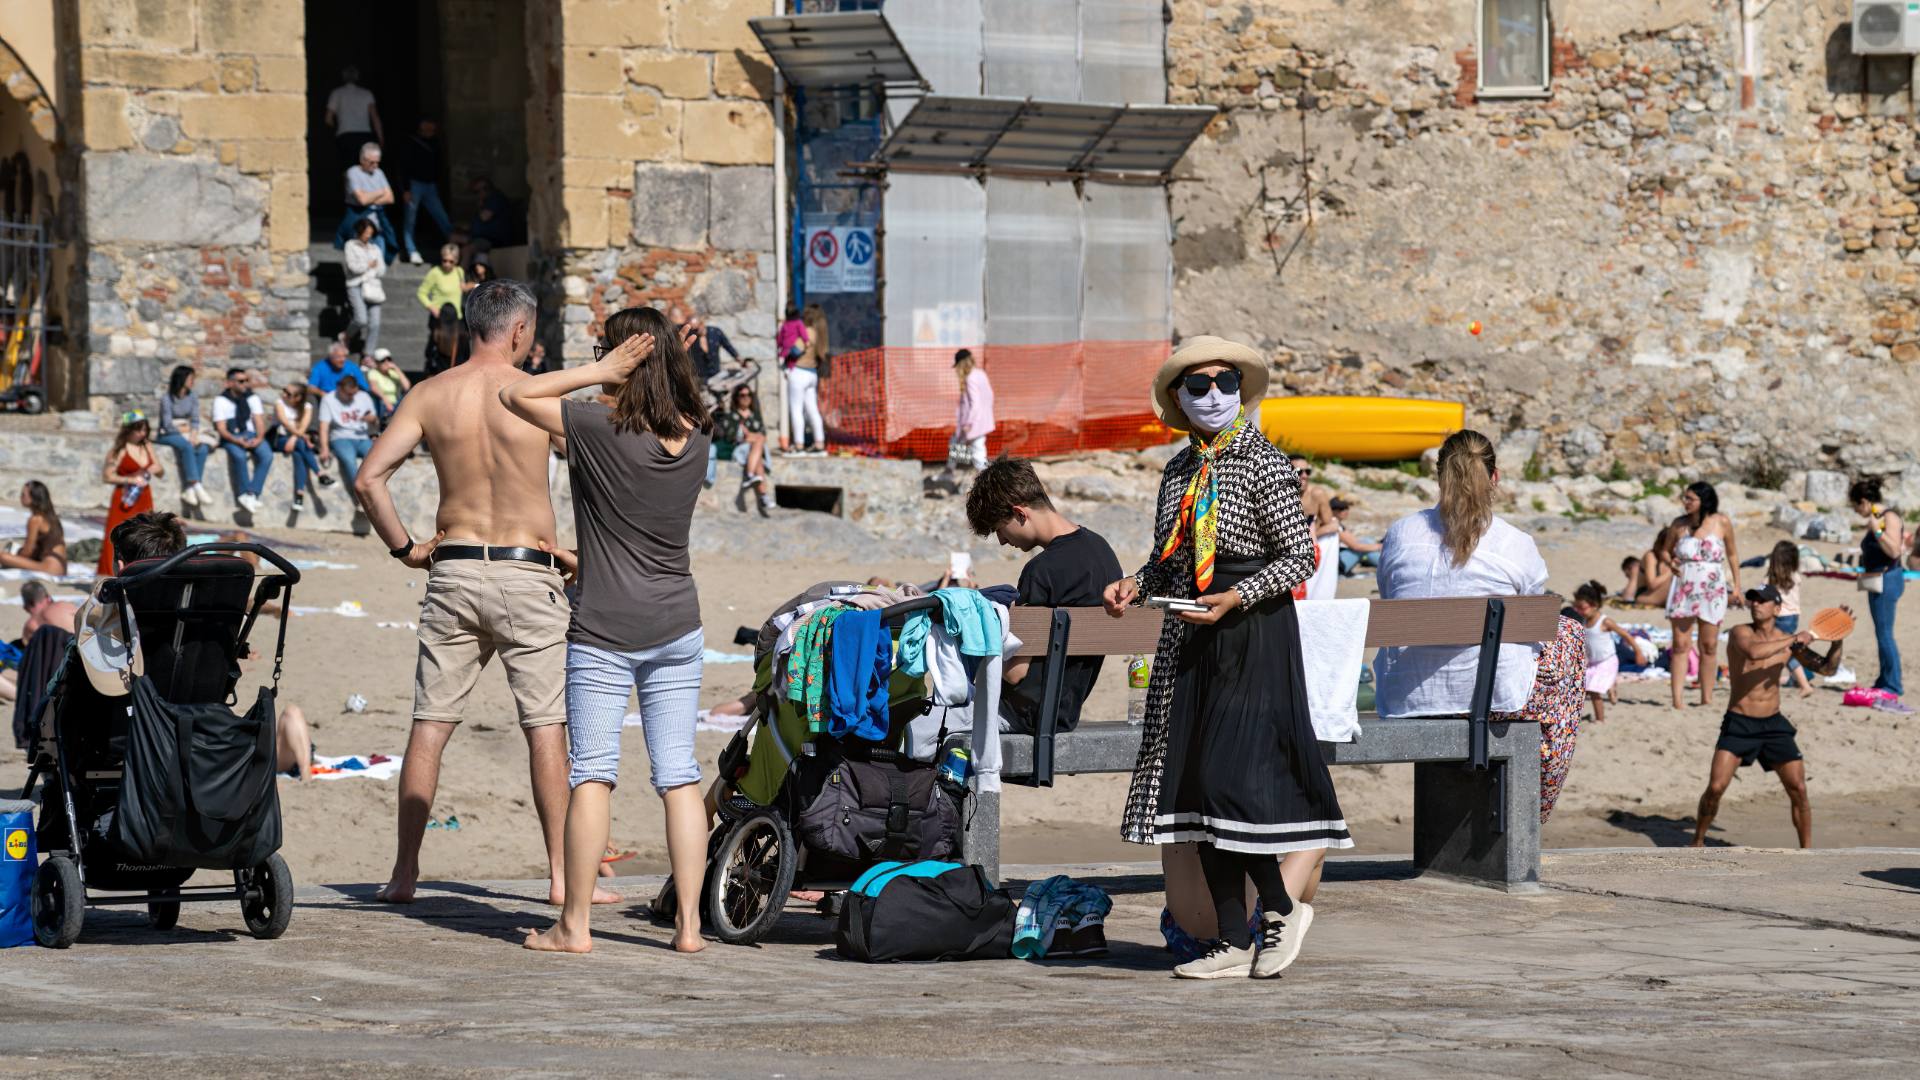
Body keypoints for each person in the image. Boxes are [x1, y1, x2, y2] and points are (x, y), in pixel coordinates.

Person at [1101, 336, 1348, 980]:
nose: (1214, 394)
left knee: (1224, 780)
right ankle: (1232, 943)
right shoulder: (1178, 472)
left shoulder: (1266, 462)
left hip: (1252, 633)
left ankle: (1277, 907)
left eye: (1226, 382)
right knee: (1190, 782)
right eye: (1200, 384)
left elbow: (1300, 557)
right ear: (1179, 400)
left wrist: (1235, 596)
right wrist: (1137, 583)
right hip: (1190, 634)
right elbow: (1168, 559)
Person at [353, 280, 599, 908]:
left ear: (470, 326)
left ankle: (404, 873)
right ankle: (562, 880)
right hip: (527, 569)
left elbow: (369, 480)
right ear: (519, 332)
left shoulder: (430, 394)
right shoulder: (535, 396)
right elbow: (601, 469)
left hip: (455, 567)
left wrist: (406, 548)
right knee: (546, 727)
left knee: (429, 727)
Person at [501, 306, 710, 956]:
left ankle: (575, 925)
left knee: (592, 772)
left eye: (604, 350)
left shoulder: (595, 426)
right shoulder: (695, 433)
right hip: (679, 620)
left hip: (604, 627)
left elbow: (514, 392)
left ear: (624, 359)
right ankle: (690, 928)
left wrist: (597, 371)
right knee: (678, 773)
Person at [1375, 430, 1586, 825]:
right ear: (1496, 477)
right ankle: (1535, 804)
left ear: (1439, 477)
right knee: (1569, 634)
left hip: (1409, 694)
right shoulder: (1513, 541)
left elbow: (1390, 598)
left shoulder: (1401, 533)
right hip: (1493, 698)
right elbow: (1535, 626)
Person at [969, 458, 1123, 735]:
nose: (1003, 541)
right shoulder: (1102, 550)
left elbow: (1016, 673)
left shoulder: (1041, 571)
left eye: (999, 529)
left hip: (1026, 715)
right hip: (1066, 711)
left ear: (1020, 513)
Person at [1690, 586, 1847, 848]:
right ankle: (1697, 841)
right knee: (1716, 788)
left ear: (1777, 609)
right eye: (1753, 600)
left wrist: (1837, 639)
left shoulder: (1788, 641)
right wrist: (1796, 638)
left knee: (1798, 788)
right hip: (1739, 722)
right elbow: (1754, 652)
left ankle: (1807, 851)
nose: (1756, 604)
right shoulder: (1741, 632)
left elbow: (1828, 669)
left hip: (1773, 724)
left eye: (1763, 601)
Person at [1660, 482, 1742, 709]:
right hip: (1684, 585)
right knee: (1680, 644)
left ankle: (1707, 698)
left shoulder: (1721, 521)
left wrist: (1736, 586)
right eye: (1684, 498)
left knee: (1709, 645)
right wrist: (1671, 563)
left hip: (1712, 587)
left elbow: (1733, 555)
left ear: (1703, 501)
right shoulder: (1679, 524)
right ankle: (1677, 700)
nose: (1685, 502)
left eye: (1690, 498)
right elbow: (1665, 551)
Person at [1851, 477, 1907, 706]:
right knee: (1881, 632)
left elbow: (1894, 551)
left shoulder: (1889, 518)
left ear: (1864, 502)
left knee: (1885, 634)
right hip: (1876, 579)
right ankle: (1884, 678)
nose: (1856, 511)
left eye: (1856, 506)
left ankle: (1893, 683)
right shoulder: (1877, 517)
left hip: (1887, 580)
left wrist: (1876, 532)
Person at [1571, 580, 1647, 724]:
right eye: (1577, 608)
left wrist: (1638, 652)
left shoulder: (1605, 622)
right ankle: (1611, 686)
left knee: (1594, 690)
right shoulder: (1584, 623)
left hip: (1607, 661)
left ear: (1594, 605)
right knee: (1582, 688)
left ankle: (1600, 719)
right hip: (1592, 663)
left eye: (1582, 608)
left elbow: (1626, 635)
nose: (1579, 611)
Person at [96, 412, 163, 576]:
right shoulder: (119, 450)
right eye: (138, 430)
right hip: (124, 497)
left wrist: (153, 469)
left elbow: (160, 471)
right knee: (117, 534)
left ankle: (141, 570)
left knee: (145, 532)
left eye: (145, 430)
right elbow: (107, 476)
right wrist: (130, 480)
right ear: (129, 430)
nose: (142, 434)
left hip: (144, 496)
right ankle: (110, 573)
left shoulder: (147, 446)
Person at [211, 367, 272, 514]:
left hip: (250, 435)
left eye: (246, 381)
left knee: (267, 455)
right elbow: (222, 428)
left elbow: (259, 421)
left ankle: (252, 493)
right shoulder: (221, 400)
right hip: (231, 437)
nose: (245, 384)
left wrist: (259, 438)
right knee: (239, 456)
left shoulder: (252, 398)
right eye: (240, 381)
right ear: (230, 383)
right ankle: (244, 493)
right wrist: (237, 441)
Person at [154, 364, 212, 508]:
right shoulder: (167, 398)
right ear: (182, 378)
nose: (193, 381)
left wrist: (193, 434)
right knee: (186, 446)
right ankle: (196, 484)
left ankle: (189, 489)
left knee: (202, 448)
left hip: (187, 433)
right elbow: (167, 424)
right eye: (191, 378)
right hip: (167, 434)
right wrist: (185, 430)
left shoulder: (192, 396)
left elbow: (195, 419)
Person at [269, 381, 330, 515]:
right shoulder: (280, 403)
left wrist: (295, 438)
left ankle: (299, 496)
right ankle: (320, 474)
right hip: (279, 438)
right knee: (302, 445)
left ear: (298, 398)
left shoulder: (307, 407)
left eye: (288, 393)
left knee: (299, 455)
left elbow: (303, 426)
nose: (284, 394)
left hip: (296, 441)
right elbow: (284, 423)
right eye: (284, 390)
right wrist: (302, 437)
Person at [1764, 540, 1815, 699]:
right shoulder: (1795, 577)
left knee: (1785, 652)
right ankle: (1772, 680)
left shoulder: (1771, 579)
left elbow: (1763, 594)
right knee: (1783, 650)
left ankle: (1804, 684)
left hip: (1779, 618)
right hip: (1793, 618)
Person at [711, 383, 772, 515]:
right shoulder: (731, 416)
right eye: (742, 395)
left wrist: (749, 436)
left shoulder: (755, 415)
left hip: (752, 450)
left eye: (748, 395)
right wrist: (752, 437)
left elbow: (763, 434)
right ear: (737, 398)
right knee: (758, 447)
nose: (746, 398)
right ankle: (763, 494)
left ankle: (754, 481)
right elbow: (731, 437)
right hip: (739, 450)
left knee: (758, 448)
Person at [1287, 456, 1341, 599]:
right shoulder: (1281, 496)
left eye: (1307, 471)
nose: (1304, 476)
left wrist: (1311, 535)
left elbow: (1331, 523)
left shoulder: (1316, 494)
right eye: (1298, 471)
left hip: (1311, 549)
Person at [398, 117, 449, 265]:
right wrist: (406, 189)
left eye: (432, 129)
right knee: (410, 219)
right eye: (426, 129)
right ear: (420, 128)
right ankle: (411, 250)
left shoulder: (435, 143)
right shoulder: (410, 142)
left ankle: (454, 246)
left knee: (442, 217)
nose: (429, 132)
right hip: (414, 185)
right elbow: (403, 167)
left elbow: (439, 165)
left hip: (431, 185)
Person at [318, 375, 379, 490]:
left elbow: (375, 420)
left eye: (354, 393)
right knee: (350, 461)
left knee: (376, 460)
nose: (352, 397)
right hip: (340, 436)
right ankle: (361, 495)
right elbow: (324, 426)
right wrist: (324, 448)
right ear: (339, 389)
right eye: (349, 394)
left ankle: (374, 490)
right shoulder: (328, 399)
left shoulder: (364, 396)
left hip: (363, 436)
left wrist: (372, 419)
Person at [337, 142, 397, 259]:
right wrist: (380, 192)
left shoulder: (379, 173)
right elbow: (362, 200)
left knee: (378, 261)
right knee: (359, 260)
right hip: (358, 225)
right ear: (362, 160)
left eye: (377, 162)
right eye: (371, 162)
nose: (375, 165)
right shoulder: (353, 172)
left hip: (377, 226)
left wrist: (369, 196)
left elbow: (390, 198)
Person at [780, 305, 824, 455]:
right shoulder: (818, 333)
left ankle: (799, 445)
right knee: (812, 409)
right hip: (812, 373)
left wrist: (786, 347)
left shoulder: (808, 332)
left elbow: (795, 350)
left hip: (799, 372)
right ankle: (819, 443)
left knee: (796, 410)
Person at [324, 66, 383, 171]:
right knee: (366, 169)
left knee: (348, 170)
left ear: (343, 77)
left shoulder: (337, 93)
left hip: (345, 136)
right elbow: (375, 118)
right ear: (357, 77)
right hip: (365, 136)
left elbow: (328, 119)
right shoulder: (367, 93)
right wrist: (380, 138)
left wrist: (336, 128)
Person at [0, 481, 66, 575]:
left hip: (50, 567)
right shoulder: (52, 517)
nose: (20, 497)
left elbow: (28, 551)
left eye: (23, 495)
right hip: (61, 566)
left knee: (3, 557)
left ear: (34, 498)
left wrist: (15, 557)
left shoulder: (35, 520)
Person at [344, 217, 387, 355]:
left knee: (375, 323)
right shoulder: (350, 245)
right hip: (356, 285)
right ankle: (346, 336)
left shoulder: (375, 248)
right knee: (361, 319)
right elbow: (352, 267)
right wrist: (368, 266)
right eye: (366, 232)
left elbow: (381, 269)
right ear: (360, 231)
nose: (368, 235)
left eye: (370, 232)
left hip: (373, 286)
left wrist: (371, 269)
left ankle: (368, 353)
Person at [950, 348, 994, 473]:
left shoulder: (970, 378)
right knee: (957, 443)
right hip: (981, 420)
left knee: (978, 452)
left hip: (973, 422)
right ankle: (951, 471)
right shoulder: (980, 373)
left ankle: (987, 477)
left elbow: (975, 403)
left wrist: (969, 423)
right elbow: (990, 395)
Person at [673, 303, 739, 383]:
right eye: (692, 330)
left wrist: (739, 359)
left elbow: (728, 346)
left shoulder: (715, 332)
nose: (694, 332)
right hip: (698, 377)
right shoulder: (690, 337)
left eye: (696, 329)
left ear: (701, 324)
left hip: (715, 373)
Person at [1329, 497, 1381, 576]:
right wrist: (1379, 546)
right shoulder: (1333, 524)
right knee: (1365, 545)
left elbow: (1355, 541)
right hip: (1337, 565)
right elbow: (1356, 546)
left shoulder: (1338, 524)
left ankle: (1384, 562)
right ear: (1333, 511)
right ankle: (1388, 563)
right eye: (1341, 509)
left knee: (1367, 540)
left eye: (1346, 508)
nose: (1345, 511)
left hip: (1338, 559)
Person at [418, 244, 466, 323]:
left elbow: (461, 290)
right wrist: (431, 307)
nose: (447, 264)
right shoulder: (434, 272)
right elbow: (421, 292)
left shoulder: (459, 271)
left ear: (456, 261)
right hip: (439, 317)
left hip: (456, 317)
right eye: (444, 260)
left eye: (451, 262)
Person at [424, 301, 470, 377]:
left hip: (438, 375)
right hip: (456, 375)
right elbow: (466, 356)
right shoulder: (462, 335)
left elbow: (428, 353)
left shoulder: (436, 334)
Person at [467, 177, 516, 249]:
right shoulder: (486, 202)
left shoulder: (496, 198)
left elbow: (484, 217)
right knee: (454, 239)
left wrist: (480, 206)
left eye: (485, 188)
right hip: (480, 238)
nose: (481, 193)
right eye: (476, 192)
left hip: (494, 240)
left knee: (467, 250)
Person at [365, 348, 412, 415]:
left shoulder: (392, 373)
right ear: (377, 363)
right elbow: (374, 388)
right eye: (383, 360)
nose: (386, 362)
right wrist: (386, 401)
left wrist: (396, 368)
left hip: (396, 403)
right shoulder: (373, 372)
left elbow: (407, 386)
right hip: (381, 403)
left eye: (389, 359)